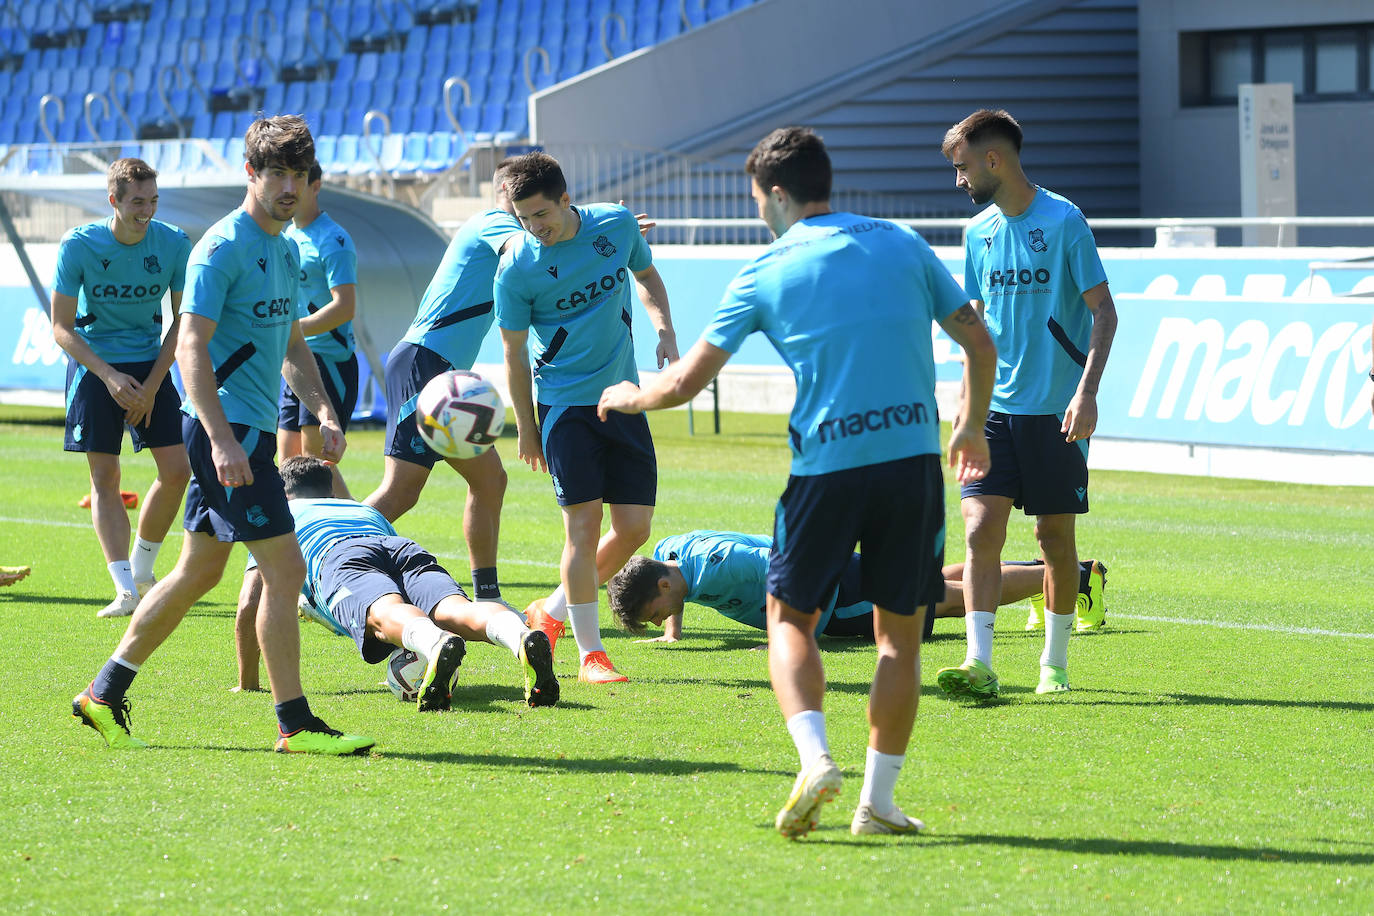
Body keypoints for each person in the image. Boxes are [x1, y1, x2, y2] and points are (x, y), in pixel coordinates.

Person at [598, 126, 996, 838]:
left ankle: (815, 759)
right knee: (900, 642)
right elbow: (978, 340)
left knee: (790, 622)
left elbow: (683, 384)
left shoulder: (764, 270)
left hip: (825, 468)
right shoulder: (903, 243)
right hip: (910, 466)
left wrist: (628, 396)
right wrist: (969, 427)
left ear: (778, 194)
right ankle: (878, 803)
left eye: (758, 200)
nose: (759, 213)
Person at [69, 115, 373, 756]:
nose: (289, 187)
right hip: (227, 431)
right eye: (277, 173)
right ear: (251, 173)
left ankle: (102, 693)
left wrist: (324, 411)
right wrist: (222, 439)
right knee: (285, 569)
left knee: (197, 572)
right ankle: (295, 724)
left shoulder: (285, 249)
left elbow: (291, 343)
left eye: (298, 175)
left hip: (244, 431)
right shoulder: (222, 247)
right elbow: (190, 347)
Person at [937, 108, 1118, 699]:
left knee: (1052, 540)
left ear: (994, 159)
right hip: (994, 413)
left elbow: (1104, 313)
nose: (959, 179)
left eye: (964, 167)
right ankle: (978, 661)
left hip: (1055, 412)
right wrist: (966, 406)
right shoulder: (977, 233)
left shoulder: (1064, 220)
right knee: (978, 531)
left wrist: (1086, 392)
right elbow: (975, 325)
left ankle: (1054, 665)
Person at [495, 151, 679, 685]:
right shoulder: (517, 267)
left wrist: (664, 328)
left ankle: (550, 611)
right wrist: (526, 427)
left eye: (541, 214)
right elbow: (512, 354)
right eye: (523, 218)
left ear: (565, 199)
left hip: (623, 398)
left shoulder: (615, 226)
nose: (534, 227)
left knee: (634, 528)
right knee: (583, 527)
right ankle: (590, 655)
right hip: (564, 406)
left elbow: (646, 275)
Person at [236, 456, 558, 708]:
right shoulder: (361, 510)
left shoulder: (282, 516)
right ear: (330, 491)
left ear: (283, 494)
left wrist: (247, 682)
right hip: (398, 546)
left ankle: (435, 643)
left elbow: (251, 602)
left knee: (383, 611)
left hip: (339, 554)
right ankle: (520, 636)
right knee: (454, 608)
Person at [363, 160, 522, 604]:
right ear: (505, 189)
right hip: (424, 363)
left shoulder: (510, 231)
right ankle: (319, 570)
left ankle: (487, 596)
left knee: (490, 480)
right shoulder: (495, 223)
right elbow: (529, 252)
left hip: (441, 372)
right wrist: (597, 237)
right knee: (400, 491)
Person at [50, 157, 193, 617]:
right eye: (137, 202)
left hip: (151, 365)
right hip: (94, 369)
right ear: (113, 201)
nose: (146, 210)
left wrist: (150, 385)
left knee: (178, 470)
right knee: (105, 478)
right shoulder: (79, 244)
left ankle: (143, 569)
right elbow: (61, 328)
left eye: (153, 201)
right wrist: (110, 377)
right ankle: (125, 590)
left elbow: (183, 322)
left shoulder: (174, 243)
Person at [608, 529, 1105, 642]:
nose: (661, 618)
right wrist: (673, 631)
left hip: (835, 596)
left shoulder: (717, 567)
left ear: (663, 585)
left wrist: (795, 631)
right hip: (836, 569)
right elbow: (671, 588)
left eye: (656, 613)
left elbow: (785, 565)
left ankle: (1076, 580)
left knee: (945, 602)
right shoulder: (672, 555)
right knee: (931, 582)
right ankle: (1057, 574)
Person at [277, 161, 358, 498]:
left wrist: (292, 331)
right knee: (288, 462)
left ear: (316, 186)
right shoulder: (287, 236)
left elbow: (345, 306)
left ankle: (355, 525)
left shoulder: (334, 239)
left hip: (328, 361)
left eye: (299, 180)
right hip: (293, 360)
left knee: (316, 461)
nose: (290, 190)